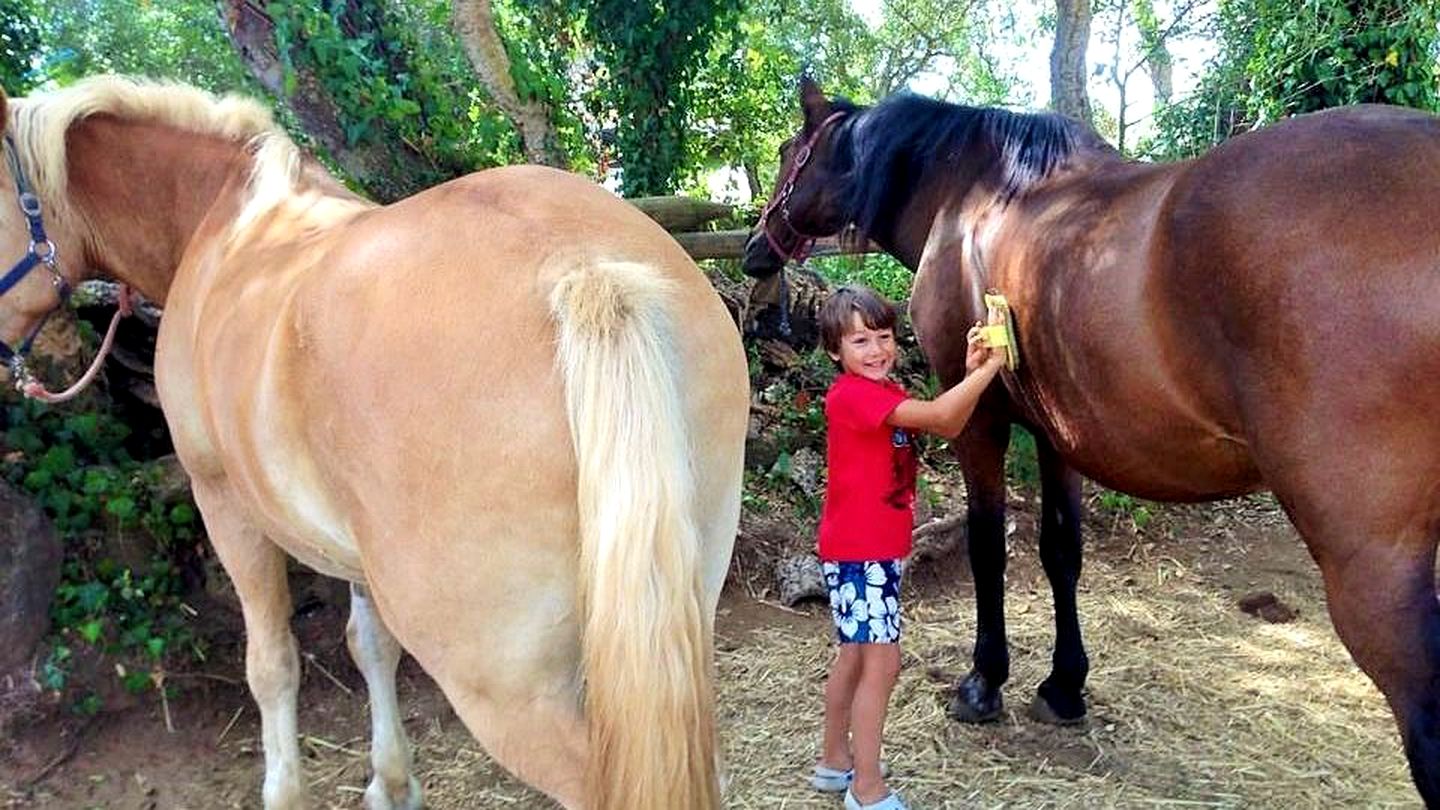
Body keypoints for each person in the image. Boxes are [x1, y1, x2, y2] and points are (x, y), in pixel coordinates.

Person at [809, 284, 1005, 810]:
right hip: (861, 553)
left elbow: (949, 420)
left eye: (883, 337)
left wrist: (970, 374)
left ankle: (835, 763)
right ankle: (866, 788)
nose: (875, 351)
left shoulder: (884, 390)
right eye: (859, 342)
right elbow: (943, 418)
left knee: (854, 655)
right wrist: (991, 370)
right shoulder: (853, 396)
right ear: (835, 352)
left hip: (868, 548)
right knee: (883, 663)